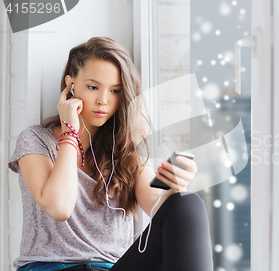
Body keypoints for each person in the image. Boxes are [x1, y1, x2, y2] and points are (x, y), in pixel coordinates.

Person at [7, 37, 213, 271]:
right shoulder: (36, 141)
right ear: (71, 84)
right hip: (50, 268)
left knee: (187, 203)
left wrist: (176, 183)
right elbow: (59, 208)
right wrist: (70, 133)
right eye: (93, 87)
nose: (103, 101)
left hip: (112, 268)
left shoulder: (125, 155)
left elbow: (166, 211)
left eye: (115, 91)